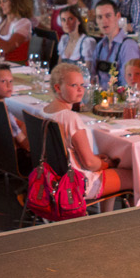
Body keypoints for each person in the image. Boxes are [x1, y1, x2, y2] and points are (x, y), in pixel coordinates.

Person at [42, 63, 131, 200]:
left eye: (82, 85)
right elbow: (89, 163)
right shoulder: (70, 118)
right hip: (77, 183)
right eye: (74, 86)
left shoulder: (45, 111)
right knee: (136, 177)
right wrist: (108, 164)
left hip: (52, 179)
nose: (80, 90)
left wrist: (98, 159)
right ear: (58, 88)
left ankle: (105, 217)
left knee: (107, 167)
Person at [89, 2, 140, 88]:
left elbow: (128, 85)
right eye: (99, 17)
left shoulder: (128, 46)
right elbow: (93, 78)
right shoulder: (100, 46)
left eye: (108, 15)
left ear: (118, 17)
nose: (104, 21)